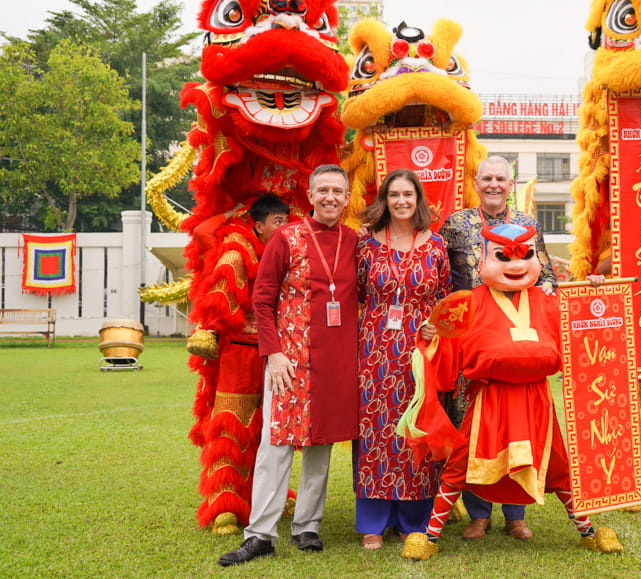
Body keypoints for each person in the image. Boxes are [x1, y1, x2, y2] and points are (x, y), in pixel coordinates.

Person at [398, 223, 622, 560]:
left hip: (536, 400)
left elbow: (586, 333)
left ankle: (588, 531)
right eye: (503, 257)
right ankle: (429, 536)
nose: (516, 265)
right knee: (461, 464)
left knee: (558, 467)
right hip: (491, 400)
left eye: (525, 256)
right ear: (483, 261)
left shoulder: (548, 300)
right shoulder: (467, 303)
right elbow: (445, 357)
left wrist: (594, 293)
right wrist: (431, 336)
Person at [219, 164, 360, 566]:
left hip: (336, 361)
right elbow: (262, 300)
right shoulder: (287, 237)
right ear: (311, 197)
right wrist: (273, 352)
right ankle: (260, 533)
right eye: (323, 190)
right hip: (289, 360)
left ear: (347, 198)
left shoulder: (354, 242)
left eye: (338, 190)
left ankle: (307, 526)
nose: (331, 197)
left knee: (321, 445)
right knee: (276, 445)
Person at [437, 155, 555, 541]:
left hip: (517, 344)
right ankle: (478, 512)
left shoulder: (527, 226)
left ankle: (515, 515)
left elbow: (547, 276)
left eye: (500, 179)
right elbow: (439, 274)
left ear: (511, 182)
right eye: (486, 178)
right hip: (472, 345)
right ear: (475, 181)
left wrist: (551, 298)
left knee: (518, 424)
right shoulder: (456, 225)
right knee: (472, 427)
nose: (493, 184)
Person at [354, 168, 451, 550]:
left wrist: (435, 327)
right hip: (375, 347)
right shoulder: (366, 246)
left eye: (408, 195)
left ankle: (414, 518)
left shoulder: (437, 246)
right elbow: (359, 293)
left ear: (418, 199)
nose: (401, 201)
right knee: (376, 430)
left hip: (420, 349)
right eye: (394, 195)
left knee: (416, 428)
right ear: (384, 199)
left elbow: (445, 297)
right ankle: (374, 521)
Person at [186, 194, 289, 534]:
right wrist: (229, 213)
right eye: (277, 222)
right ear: (257, 225)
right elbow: (202, 233)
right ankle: (224, 506)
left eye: (285, 221)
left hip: (280, 354)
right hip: (240, 352)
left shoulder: (291, 251)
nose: (283, 228)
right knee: (232, 426)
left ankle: (266, 498)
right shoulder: (237, 248)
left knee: (271, 431)